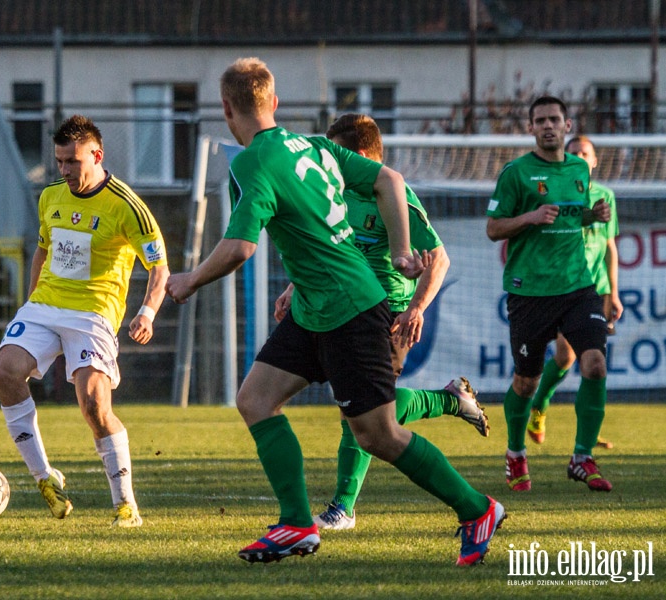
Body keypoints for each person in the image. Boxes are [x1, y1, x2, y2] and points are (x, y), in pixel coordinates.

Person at [166, 57, 504, 566]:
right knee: (255, 399)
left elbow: (239, 247)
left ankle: (477, 509)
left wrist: (189, 279)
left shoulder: (250, 162)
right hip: (314, 306)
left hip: (350, 307)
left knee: (378, 433)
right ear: (274, 103)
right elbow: (390, 179)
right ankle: (298, 524)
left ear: (226, 109)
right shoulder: (318, 146)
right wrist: (397, 249)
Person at [273, 113, 490, 531]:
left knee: (363, 415)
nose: (329, 162)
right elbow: (329, 253)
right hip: (338, 307)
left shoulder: (394, 193)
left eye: (336, 154)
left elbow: (439, 258)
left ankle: (343, 508)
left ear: (358, 155)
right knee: (366, 411)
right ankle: (450, 400)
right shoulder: (334, 193)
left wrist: (417, 308)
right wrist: (294, 288)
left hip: (384, 314)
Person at [0, 115, 169, 526]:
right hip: (45, 305)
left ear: (96, 155)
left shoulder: (128, 207)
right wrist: (31, 302)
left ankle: (125, 503)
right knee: (5, 372)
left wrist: (147, 312)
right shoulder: (51, 196)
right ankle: (44, 477)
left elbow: (159, 268)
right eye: (59, 161)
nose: (66, 170)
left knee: (93, 403)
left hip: (93, 314)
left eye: (73, 161)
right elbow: (42, 249)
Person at [486, 96, 613, 493]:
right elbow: (493, 228)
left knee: (594, 365)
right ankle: (515, 454)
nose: (547, 126)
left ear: (567, 124)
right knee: (526, 382)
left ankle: (581, 456)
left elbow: (571, 218)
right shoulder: (516, 173)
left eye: (554, 119)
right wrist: (529, 217)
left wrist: (592, 216)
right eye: (539, 120)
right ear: (530, 128)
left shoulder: (579, 168)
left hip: (577, 286)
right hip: (530, 292)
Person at [527, 135, 621, 449]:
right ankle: (539, 406)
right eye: (575, 152)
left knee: (594, 363)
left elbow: (610, 247)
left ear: (594, 161)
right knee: (568, 358)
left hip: (599, 290)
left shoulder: (606, 195)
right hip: (569, 287)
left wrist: (614, 292)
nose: (581, 156)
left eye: (586, 152)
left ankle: (587, 437)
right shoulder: (560, 193)